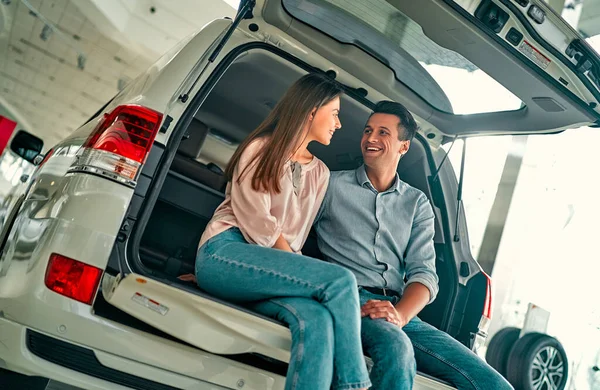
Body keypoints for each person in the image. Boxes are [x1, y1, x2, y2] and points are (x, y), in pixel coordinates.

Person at [313, 101, 513, 390]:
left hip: (399, 309)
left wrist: (400, 315)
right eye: (368, 130)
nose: (370, 138)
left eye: (383, 133)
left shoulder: (417, 204)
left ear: (403, 147)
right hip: (348, 297)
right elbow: (292, 228)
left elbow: (425, 275)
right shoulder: (330, 185)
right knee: (397, 351)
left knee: (492, 383)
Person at [193, 73, 371, 390]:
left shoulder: (321, 173)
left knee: (317, 319)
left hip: (267, 270)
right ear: (311, 110)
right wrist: (297, 271)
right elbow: (258, 226)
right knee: (340, 280)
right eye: (335, 114)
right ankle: (356, 385)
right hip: (226, 250)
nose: (339, 124)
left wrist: (292, 270)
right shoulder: (262, 149)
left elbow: (296, 237)